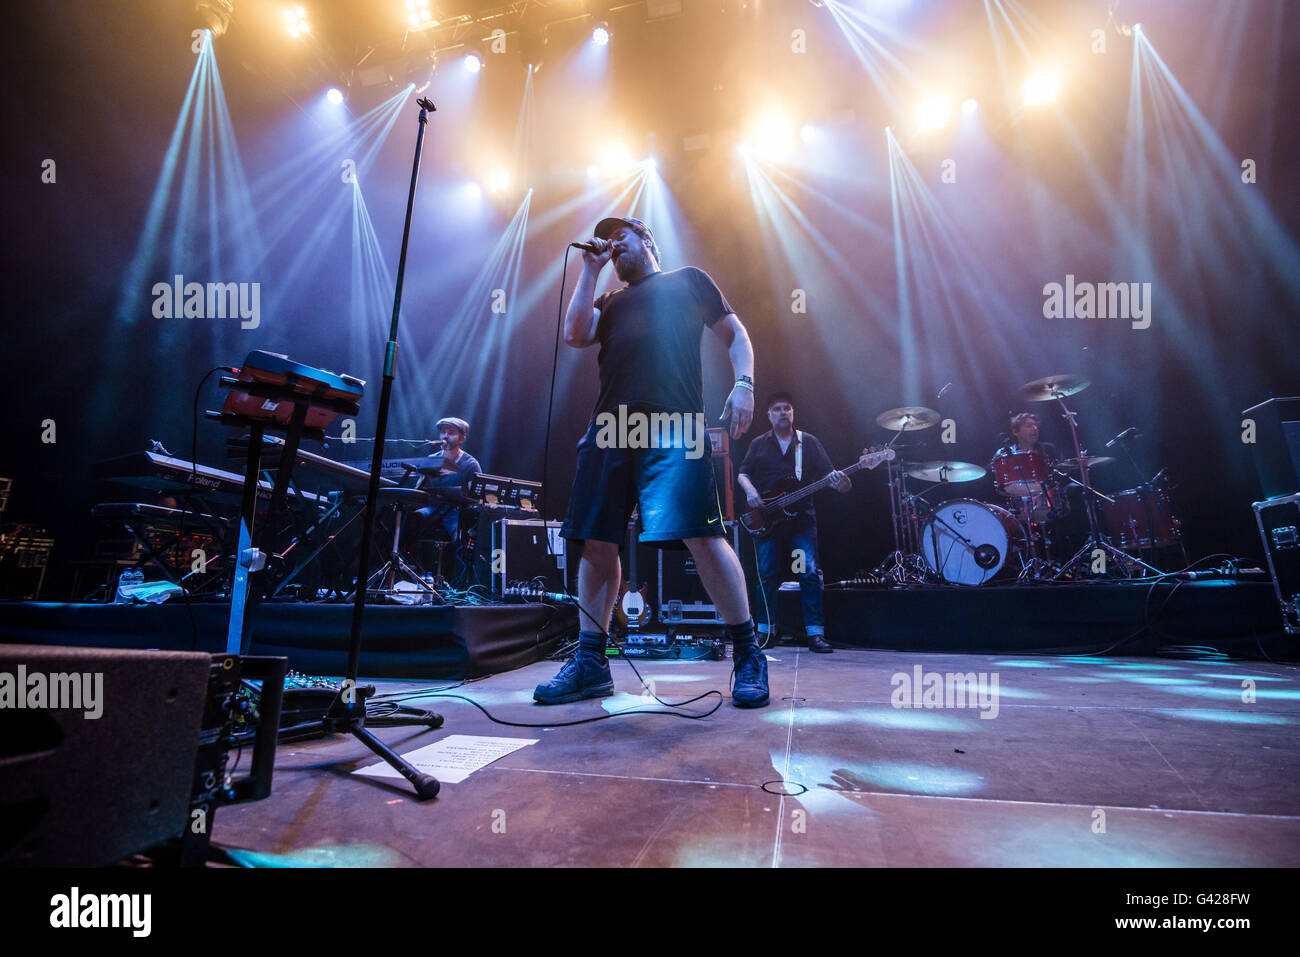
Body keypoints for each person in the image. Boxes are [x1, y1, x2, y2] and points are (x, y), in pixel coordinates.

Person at [534, 216, 767, 707]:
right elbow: (575, 334)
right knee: (596, 542)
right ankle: (591, 662)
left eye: (622, 237)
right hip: (611, 427)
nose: (613, 244)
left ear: (648, 241)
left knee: (704, 536)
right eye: (608, 240)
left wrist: (744, 383)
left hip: (675, 425)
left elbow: (736, 334)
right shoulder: (610, 301)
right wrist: (591, 270)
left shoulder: (688, 281)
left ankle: (747, 653)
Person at [737, 393, 850, 654]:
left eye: (787, 408)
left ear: (793, 412)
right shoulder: (759, 444)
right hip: (767, 521)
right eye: (776, 409)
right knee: (766, 574)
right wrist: (751, 492)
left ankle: (815, 635)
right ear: (768, 415)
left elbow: (832, 479)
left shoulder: (808, 443)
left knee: (808, 573)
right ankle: (765, 631)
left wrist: (842, 483)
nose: (782, 413)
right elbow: (743, 473)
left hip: (801, 522)